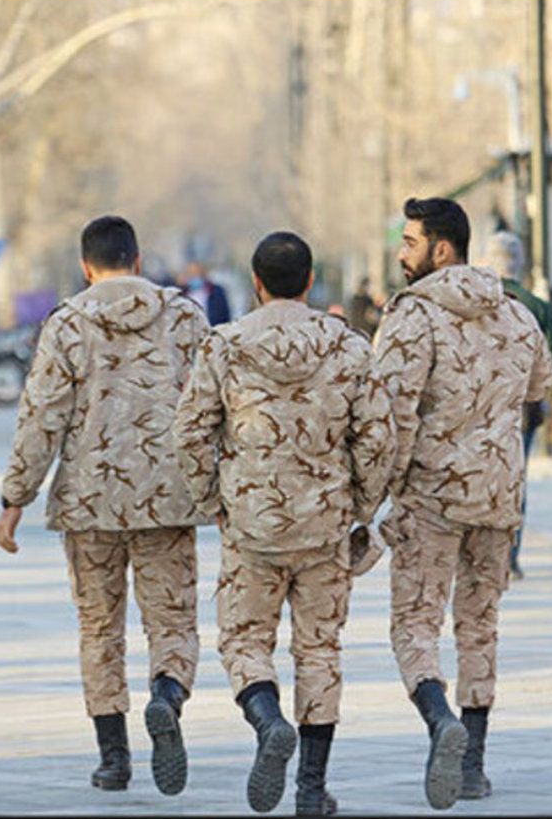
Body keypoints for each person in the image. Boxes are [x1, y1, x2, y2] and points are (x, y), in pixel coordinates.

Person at [173, 231, 393, 815]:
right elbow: (378, 437)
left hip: (251, 525)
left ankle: (268, 720)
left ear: (256, 283)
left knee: (244, 639)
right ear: (310, 280)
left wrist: (213, 499)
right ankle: (312, 788)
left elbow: (189, 432)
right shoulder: (348, 346)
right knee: (319, 650)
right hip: (325, 525)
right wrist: (360, 505)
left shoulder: (224, 345)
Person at [0, 215, 210, 796]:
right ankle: (167, 695)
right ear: (137, 261)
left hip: (90, 502)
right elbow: (214, 405)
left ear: (86, 268)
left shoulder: (67, 322)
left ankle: (113, 756)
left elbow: (42, 414)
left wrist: (16, 497)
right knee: (172, 620)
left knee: (99, 627)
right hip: (168, 498)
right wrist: (218, 486)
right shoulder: (185, 316)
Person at [376, 198, 552, 809]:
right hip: (499, 494)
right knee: (480, 625)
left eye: (409, 242)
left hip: (432, 496)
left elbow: (391, 414)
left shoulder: (412, 316)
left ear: (442, 249)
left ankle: (439, 721)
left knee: (415, 624)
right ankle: (473, 763)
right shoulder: (516, 313)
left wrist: (380, 490)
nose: (401, 254)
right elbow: (542, 383)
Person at [483, 230, 552, 580]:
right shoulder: (537, 307)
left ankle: (484, 554)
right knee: (516, 479)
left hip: (482, 407)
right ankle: (510, 556)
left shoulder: (476, 303)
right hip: (524, 409)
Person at [182, 261, 232, 326]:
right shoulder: (183, 294)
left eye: (196, 273)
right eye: (191, 274)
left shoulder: (216, 291)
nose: (194, 277)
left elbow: (225, 315)